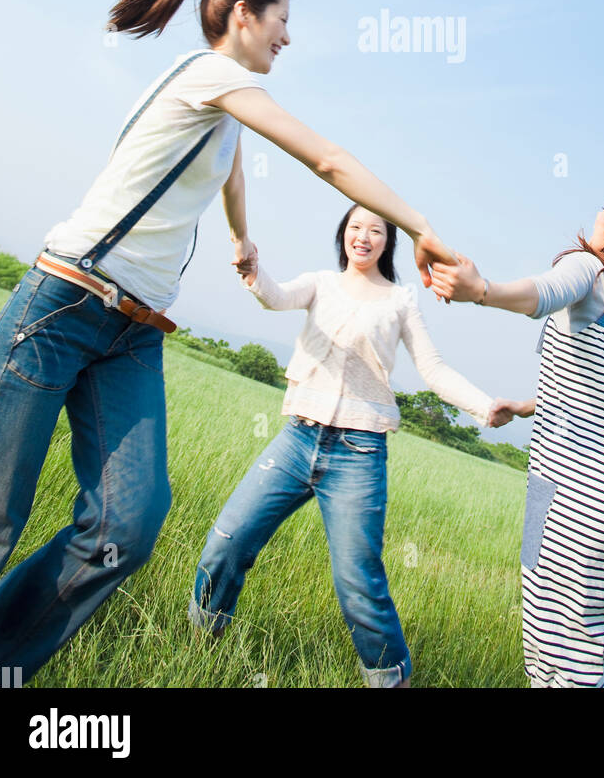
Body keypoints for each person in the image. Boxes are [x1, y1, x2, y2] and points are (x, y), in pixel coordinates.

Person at [0, 0, 456, 682]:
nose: (288, 39)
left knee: (127, 524)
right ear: (243, 16)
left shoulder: (224, 106)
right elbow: (325, 159)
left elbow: (230, 164)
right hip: (65, 301)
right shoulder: (212, 76)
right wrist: (422, 227)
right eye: (283, 22)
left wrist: (240, 236)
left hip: (133, 332)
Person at [189, 203, 515, 688]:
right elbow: (275, 297)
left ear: (388, 243)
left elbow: (433, 368)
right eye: (355, 227)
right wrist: (254, 269)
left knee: (358, 582)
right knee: (228, 539)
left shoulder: (401, 300)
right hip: (297, 437)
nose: (363, 236)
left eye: (375, 230)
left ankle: (389, 678)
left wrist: (485, 407)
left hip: (358, 453)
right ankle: (202, 642)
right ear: (344, 234)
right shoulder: (321, 282)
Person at [431, 189, 604, 689]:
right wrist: (529, 405)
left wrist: (481, 289)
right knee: (593, 666)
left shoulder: (586, 266)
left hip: (574, 498)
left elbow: (540, 294)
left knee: (554, 663)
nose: (595, 211)